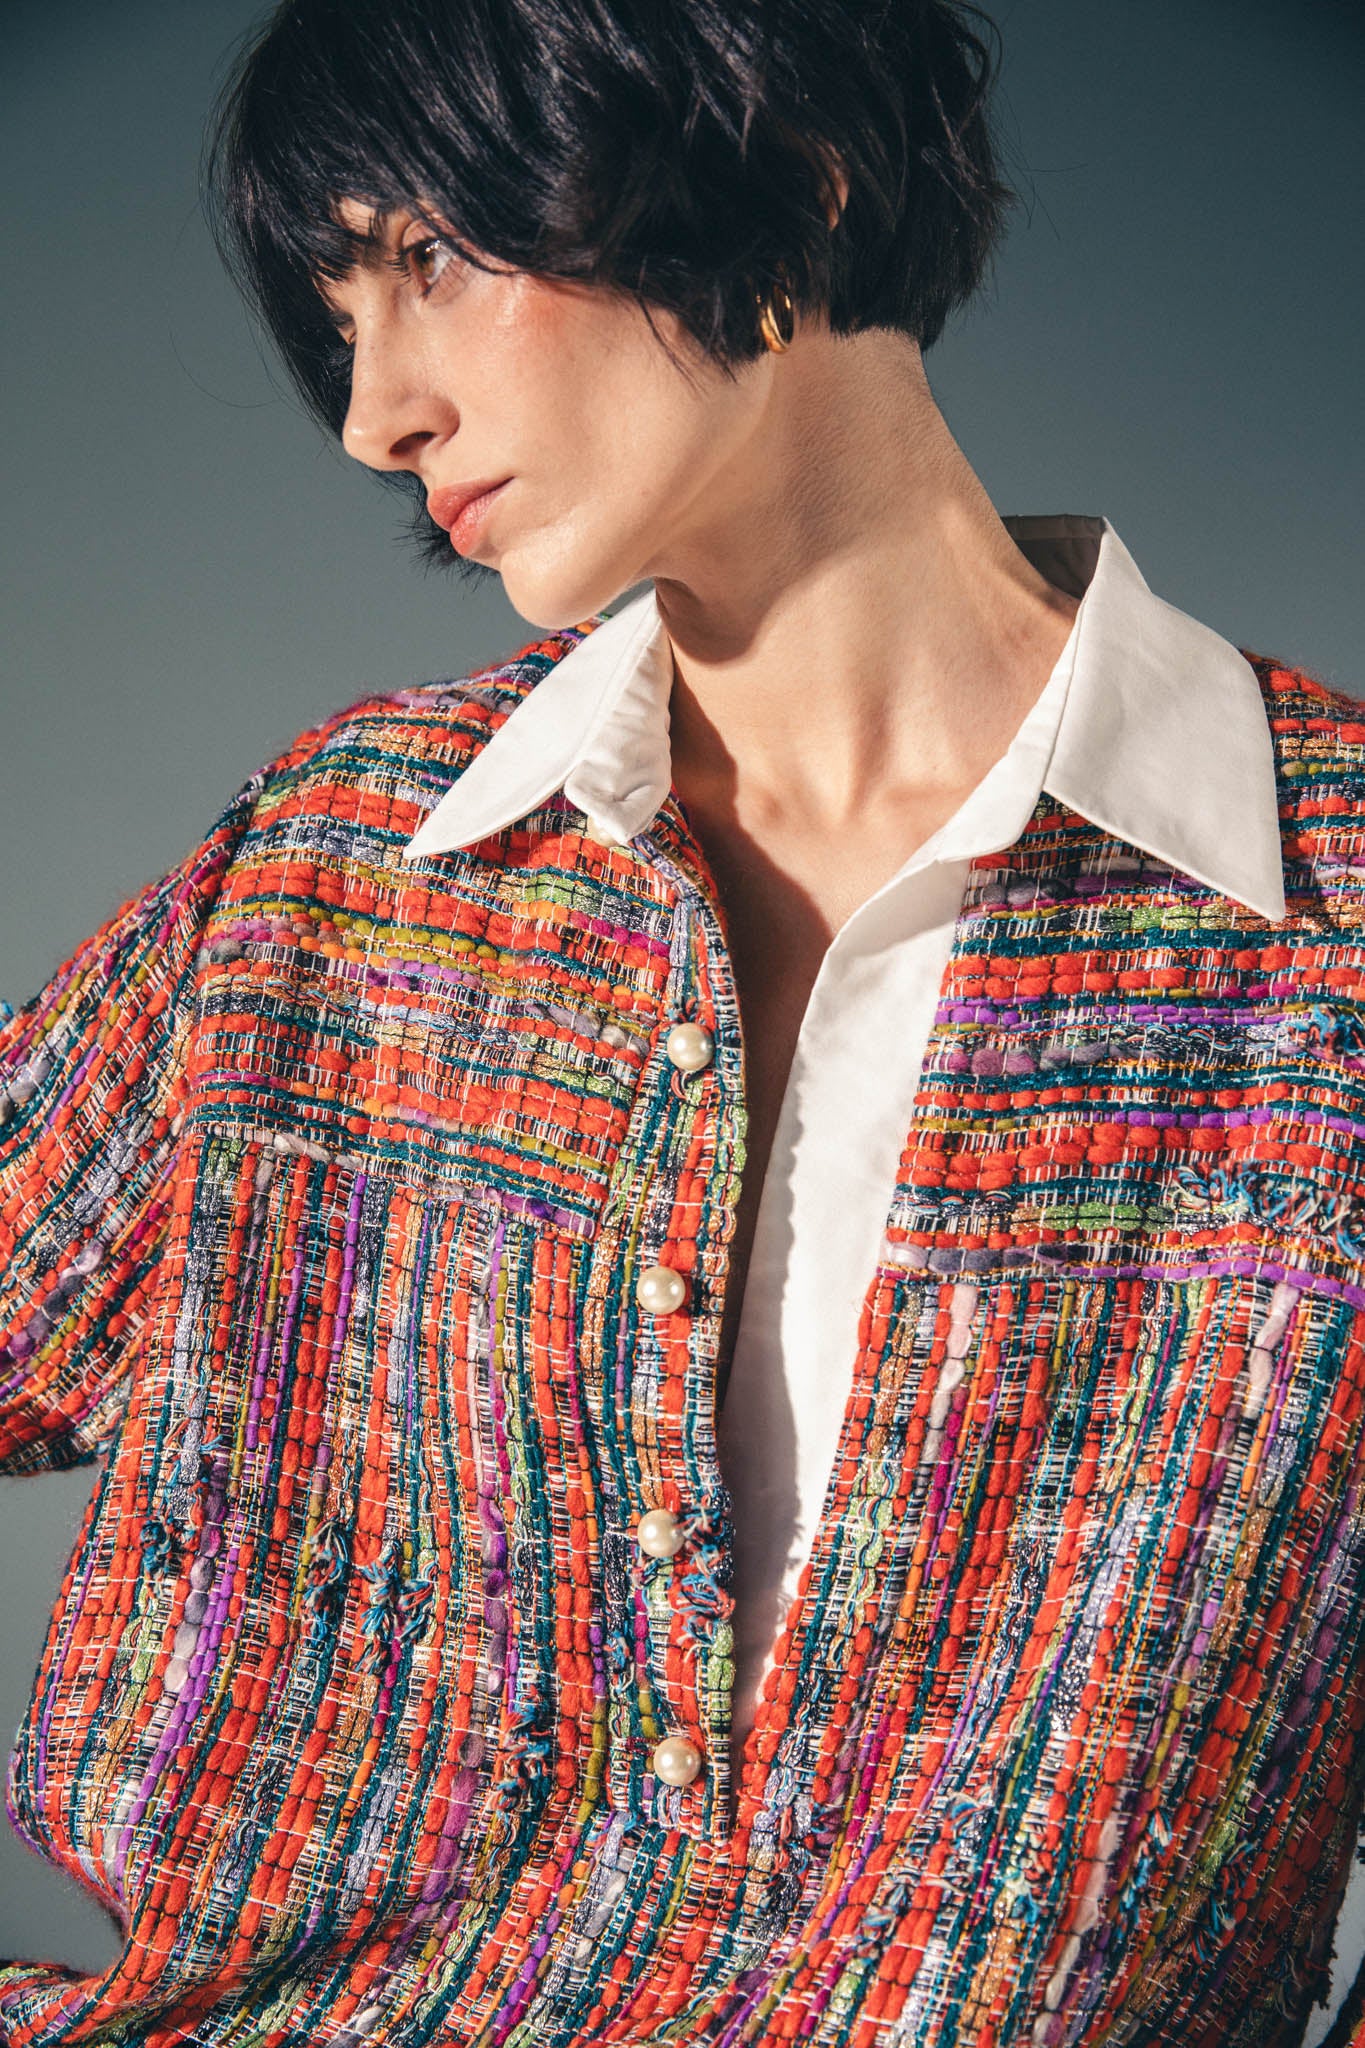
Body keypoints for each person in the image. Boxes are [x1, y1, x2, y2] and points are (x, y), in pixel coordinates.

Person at [2, 0, 1363, 2041]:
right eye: (337, 312)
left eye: (430, 259)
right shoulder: (340, 871)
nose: (372, 413)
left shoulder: (1328, 947)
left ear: (788, 169)